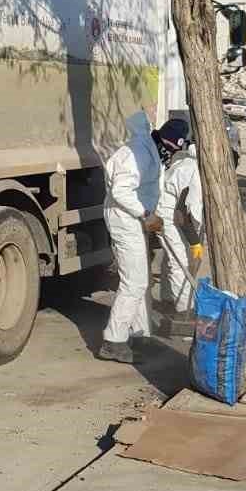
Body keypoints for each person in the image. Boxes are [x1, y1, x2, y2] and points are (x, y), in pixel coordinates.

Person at [98, 109, 161, 362]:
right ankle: (113, 341)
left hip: (134, 220)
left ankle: (139, 332)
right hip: (126, 220)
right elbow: (121, 191)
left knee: (140, 280)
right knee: (134, 282)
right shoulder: (134, 153)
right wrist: (146, 213)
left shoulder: (142, 147)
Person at [153, 118, 205, 315]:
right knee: (180, 261)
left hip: (168, 210)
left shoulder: (187, 162)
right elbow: (182, 214)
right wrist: (194, 242)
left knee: (171, 257)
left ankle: (167, 299)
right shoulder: (195, 173)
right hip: (168, 214)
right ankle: (184, 311)